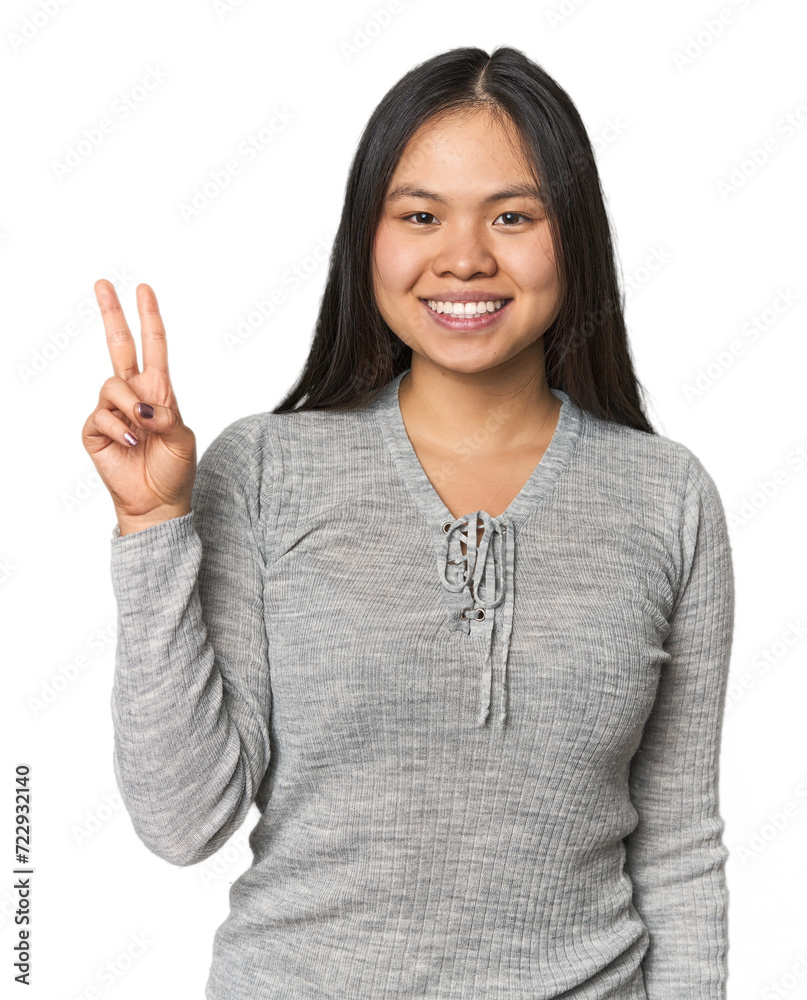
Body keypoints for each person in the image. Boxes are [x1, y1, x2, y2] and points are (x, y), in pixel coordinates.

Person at [83, 45, 736, 1000]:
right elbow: (184, 822)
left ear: (575, 237)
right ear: (369, 241)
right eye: (420, 216)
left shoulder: (668, 498)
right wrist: (153, 527)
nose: (464, 257)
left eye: (513, 216)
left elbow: (678, 850)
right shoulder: (263, 472)